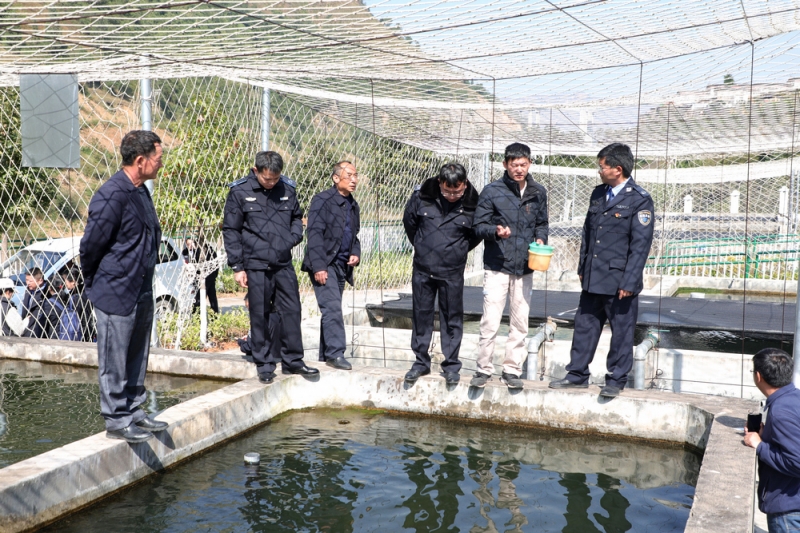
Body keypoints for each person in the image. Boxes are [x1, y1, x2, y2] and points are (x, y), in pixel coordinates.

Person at [80, 130, 169, 443]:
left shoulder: (140, 191)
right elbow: (90, 246)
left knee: (136, 353)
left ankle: (133, 410)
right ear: (141, 160)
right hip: (116, 289)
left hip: (141, 286)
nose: (161, 164)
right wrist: (96, 281)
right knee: (114, 358)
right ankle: (117, 419)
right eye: (158, 158)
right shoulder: (112, 194)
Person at [549, 142, 654, 398]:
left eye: (603, 166)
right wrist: (582, 266)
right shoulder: (598, 194)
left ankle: (616, 379)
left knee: (621, 332)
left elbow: (640, 246)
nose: (600, 171)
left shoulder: (639, 199)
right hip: (593, 275)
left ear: (617, 169)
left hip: (619, 281)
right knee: (584, 326)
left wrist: (630, 281)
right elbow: (587, 233)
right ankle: (577, 374)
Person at [223, 150, 318, 384]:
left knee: (292, 311)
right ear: (256, 171)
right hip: (255, 264)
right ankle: (264, 363)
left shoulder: (287, 189)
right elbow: (231, 230)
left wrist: (292, 238)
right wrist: (237, 266)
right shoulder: (240, 191)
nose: (272, 182)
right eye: (267, 178)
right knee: (260, 313)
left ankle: (293, 360)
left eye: (276, 178)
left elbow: (296, 218)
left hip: (283, 262)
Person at [471, 143, 549, 390]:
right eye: (514, 165)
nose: (519, 169)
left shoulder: (538, 192)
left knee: (520, 321)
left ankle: (512, 370)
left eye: (523, 164)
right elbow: (478, 225)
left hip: (525, 266)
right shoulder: (492, 191)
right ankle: (483, 369)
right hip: (497, 265)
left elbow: (542, 223)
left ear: (530, 164)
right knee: (490, 321)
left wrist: (541, 239)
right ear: (505, 164)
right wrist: (495, 231)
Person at [401, 162, 481, 385]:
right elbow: (409, 223)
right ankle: (420, 363)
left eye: (457, 191)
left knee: (451, 318)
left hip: (452, 271)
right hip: (423, 268)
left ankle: (451, 365)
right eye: (447, 191)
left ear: (465, 184)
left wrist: (458, 250)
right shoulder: (422, 197)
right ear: (439, 183)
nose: (452, 195)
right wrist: (422, 245)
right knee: (421, 315)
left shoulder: (473, 204)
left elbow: (476, 235)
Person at [301, 161, 361, 371]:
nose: (353, 180)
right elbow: (314, 234)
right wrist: (319, 266)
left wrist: (355, 252)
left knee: (331, 310)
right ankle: (336, 353)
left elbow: (354, 235)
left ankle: (325, 356)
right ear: (336, 178)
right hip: (325, 263)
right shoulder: (322, 200)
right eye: (349, 175)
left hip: (342, 265)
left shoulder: (353, 205)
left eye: (355, 175)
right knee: (333, 308)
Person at [744, 348, 800, 533]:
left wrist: (759, 445)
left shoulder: (780, 411)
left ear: (758, 376)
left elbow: (796, 462)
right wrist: (765, 434)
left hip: (789, 511)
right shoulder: (795, 398)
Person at [183, 237, 220, 314]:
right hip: (208, 278)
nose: (191, 246)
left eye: (192, 243)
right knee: (211, 298)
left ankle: (197, 314)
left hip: (204, 278)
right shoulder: (188, 252)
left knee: (200, 298)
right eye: (188, 244)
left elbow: (215, 265)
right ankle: (215, 315)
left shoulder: (202, 252)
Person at [21, 267, 47, 336]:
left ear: (40, 281)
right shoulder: (28, 291)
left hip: (37, 332)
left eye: (30, 281)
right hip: (26, 329)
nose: (28, 283)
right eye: (26, 280)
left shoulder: (46, 294)